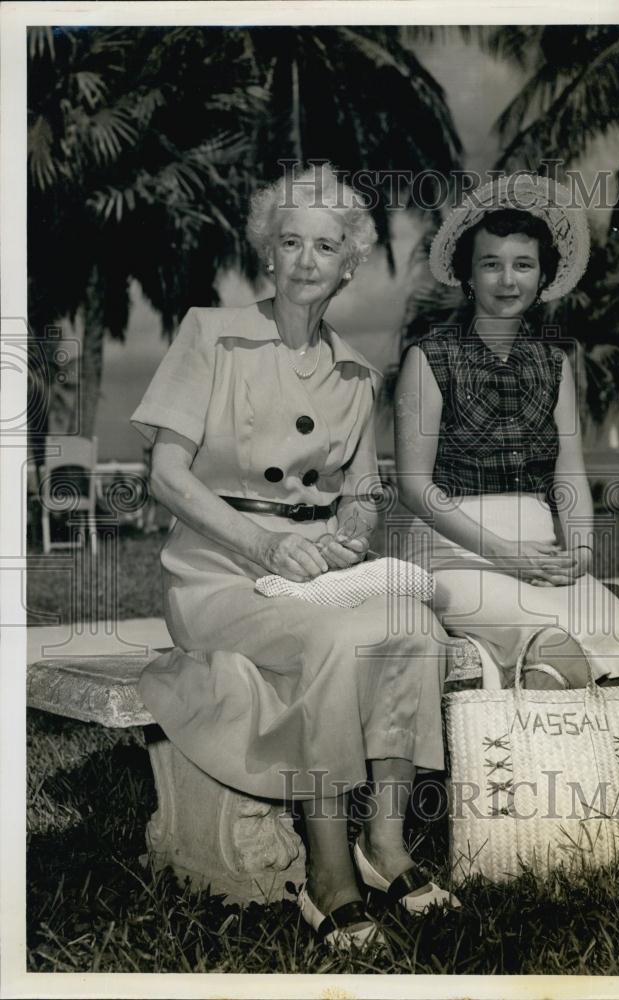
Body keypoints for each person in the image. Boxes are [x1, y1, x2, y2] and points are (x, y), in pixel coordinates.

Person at [131, 163, 458, 952]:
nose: (306, 260)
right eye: (289, 243)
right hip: (216, 572)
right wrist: (265, 541)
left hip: (310, 568)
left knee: (415, 629)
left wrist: (350, 524)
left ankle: (383, 846)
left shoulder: (357, 373)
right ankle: (325, 872)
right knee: (339, 642)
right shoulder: (208, 334)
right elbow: (166, 476)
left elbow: (364, 490)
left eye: (325, 246)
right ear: (266, 256)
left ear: (349, 264)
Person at [394, 173, 619, 691]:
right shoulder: (429, 359)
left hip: (541, 553)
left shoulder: (555, 365)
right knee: (554, 645)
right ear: (468, 275)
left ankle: (613, 768)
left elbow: (570, 473)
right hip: (452, 555)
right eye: (491, 264)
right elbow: (414, 486)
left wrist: (578, 553)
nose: (507, 281)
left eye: (523, 265)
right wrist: (503, 553)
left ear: (543, 276)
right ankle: (522, 769)